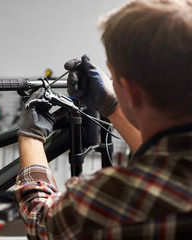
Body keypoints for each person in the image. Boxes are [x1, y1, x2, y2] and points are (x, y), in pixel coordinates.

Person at [14, 0, 192, 239]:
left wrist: (30, 137)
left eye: (114, 77)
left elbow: (40, 220)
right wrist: (113, 107)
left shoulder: (115, 199)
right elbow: (165, 161)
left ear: (132, 91)